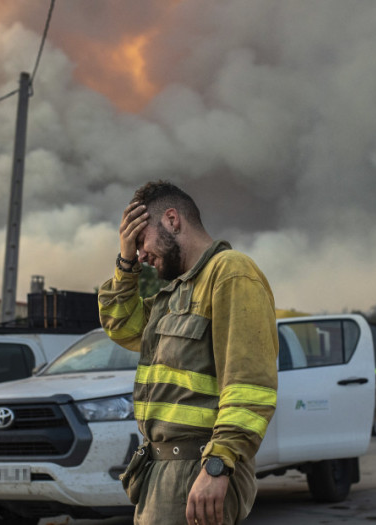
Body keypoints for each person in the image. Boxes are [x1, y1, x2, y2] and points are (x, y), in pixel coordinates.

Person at [98, 181, 278, 525]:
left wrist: (218, 465)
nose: (141, 255)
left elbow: (249, 388)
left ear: (171, 220)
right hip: (161, 473)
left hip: (198, 470)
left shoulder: (231, 273)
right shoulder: (176, 294)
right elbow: (120, 326)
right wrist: (125, 263)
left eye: (141, 241)